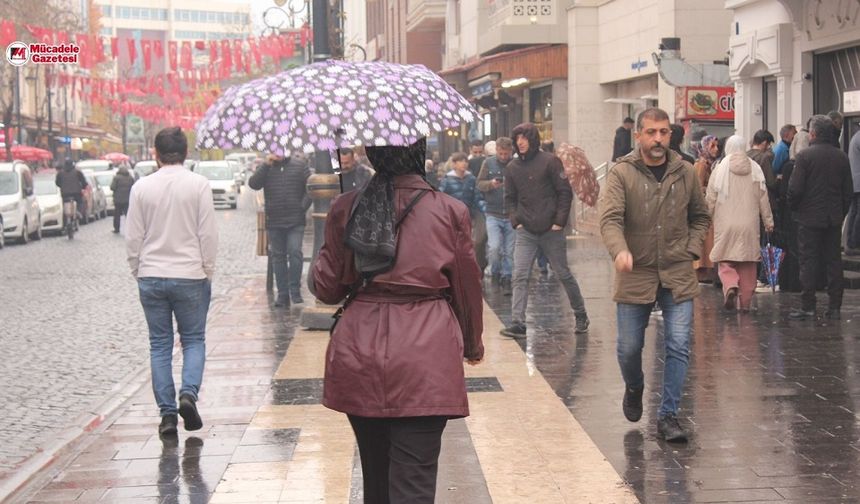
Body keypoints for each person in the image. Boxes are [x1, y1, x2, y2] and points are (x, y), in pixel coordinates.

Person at [309, 138, 483, 504]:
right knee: (413, 484)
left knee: (376, 480)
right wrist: (471, 343)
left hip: (360, 352)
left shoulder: (348, 206)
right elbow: (467, 287)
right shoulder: (449, 211)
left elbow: (326, 288)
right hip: (426, 357)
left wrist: (329, 244)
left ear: (373, 155)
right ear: (419, 154)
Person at [598, 108, 711, 443]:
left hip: (677, 271)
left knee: (678, 345)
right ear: (639, 135)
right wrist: (619, 250)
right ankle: (634, 386)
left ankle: (669, 415)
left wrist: (692, 249)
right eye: (651, 132)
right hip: (637, 272)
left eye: (664, 132)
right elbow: (610, 219)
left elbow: (701, 217)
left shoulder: (685, 171)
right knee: (629, 348)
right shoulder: (622, 173)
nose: (659, 139)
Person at [125, 127, 218, 436]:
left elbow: (133, 235)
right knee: (194, 340)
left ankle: (167, 414)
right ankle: (188, 394)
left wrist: (138, 268)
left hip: (152, 274)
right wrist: (208, 268)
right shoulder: (198, 185)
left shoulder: (141, 187)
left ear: (156, 153)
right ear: (185, 152)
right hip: (190, 273)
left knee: (160, 344)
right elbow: (207, 233)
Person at [501, 122, 589, 338]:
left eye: (524, 137)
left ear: (533, 139)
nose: (520, 142)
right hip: (526, 230)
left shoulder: (550, 161)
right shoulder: (512, 168)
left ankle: (580, 314)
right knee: (520, 274)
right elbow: (510, 198)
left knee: (563, 273)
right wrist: (516, 221)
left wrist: (559, 222)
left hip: (551, 230)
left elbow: (564, 192)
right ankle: (517, 322)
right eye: (517, 138)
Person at [787, 115, 854, 321]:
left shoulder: (804, 157)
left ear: (813, 134)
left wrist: (794, 208)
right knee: (834, 262)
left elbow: (795, 189)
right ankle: (834, 306)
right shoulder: (841, 156)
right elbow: (848, 191)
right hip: (832, 218)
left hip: (808, 218)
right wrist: (840, 212)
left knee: (809, 261)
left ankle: (808, 305)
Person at [706, 135, 774, 311]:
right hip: (749, 224)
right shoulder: (755, 168)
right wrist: (768, 221)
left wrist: (705, 219)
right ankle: (745, 305)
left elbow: (711, 198)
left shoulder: (720, 169)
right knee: (748, 264)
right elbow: (763, 197)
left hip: (726, 223)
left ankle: (730, 286)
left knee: (725, 260)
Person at [248, 153, 312, 307]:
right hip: (275, 220)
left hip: (295, 220)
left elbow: (311, 188)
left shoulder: (300, 166)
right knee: (278, 257)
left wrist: (302, 208)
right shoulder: (266, 168)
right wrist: (265, 165)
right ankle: (283, 294)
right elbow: (254, 184)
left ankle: (295, 290)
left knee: (295, 252)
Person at [477, 136, 516, 294]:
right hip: (493, 212)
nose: (503, 157)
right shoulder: (488, 162)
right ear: (497, 151)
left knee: (509, 250)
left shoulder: (515, 164)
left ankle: (507, 277)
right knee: (494, 247)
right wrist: (491, 184)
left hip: (511, 213)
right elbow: (479, 183)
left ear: (510, 151)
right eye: (501, 153)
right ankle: (495, 270)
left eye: (506, 153)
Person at [776, 131, 810, 292]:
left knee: (789, 248)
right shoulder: (808, 165)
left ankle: (788, 282)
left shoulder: (789, 167)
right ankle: (799, 282)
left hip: (789, 214)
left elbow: (784, 194)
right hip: (804, 213)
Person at [692, 135, 719, 283]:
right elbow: (697, 187)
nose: (716, 149)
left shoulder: (709, 163)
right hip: (704, 209)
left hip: (708, 208)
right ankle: (702, 270)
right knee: (705, 241)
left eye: (716, 145)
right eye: (712, 146)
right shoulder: (702, 164)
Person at [54, 158, 88, 226]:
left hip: (65, 194)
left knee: (64, 205)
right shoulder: (77, 172)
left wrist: (62, 186)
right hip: (76, 193)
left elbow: (57, 183)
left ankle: (66, 218)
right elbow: (84, 182)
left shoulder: (60, 173)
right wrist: (83, 187)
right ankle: (78, 212)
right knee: (80, 202)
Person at [846, 128, 860, 255]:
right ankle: (854, 243)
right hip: (858, 182)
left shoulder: (855, 137)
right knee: (857, 213)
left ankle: (850, 242)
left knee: (854, 211)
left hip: (855, 181)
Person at [109, 165, 135, 234]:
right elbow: (134, 187)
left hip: (118, 200)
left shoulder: (116, 178)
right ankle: (131, 228)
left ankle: (116, 228)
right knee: (128, 215)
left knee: (117, 215)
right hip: (127, 199)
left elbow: (112, 187)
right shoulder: (130, 178)